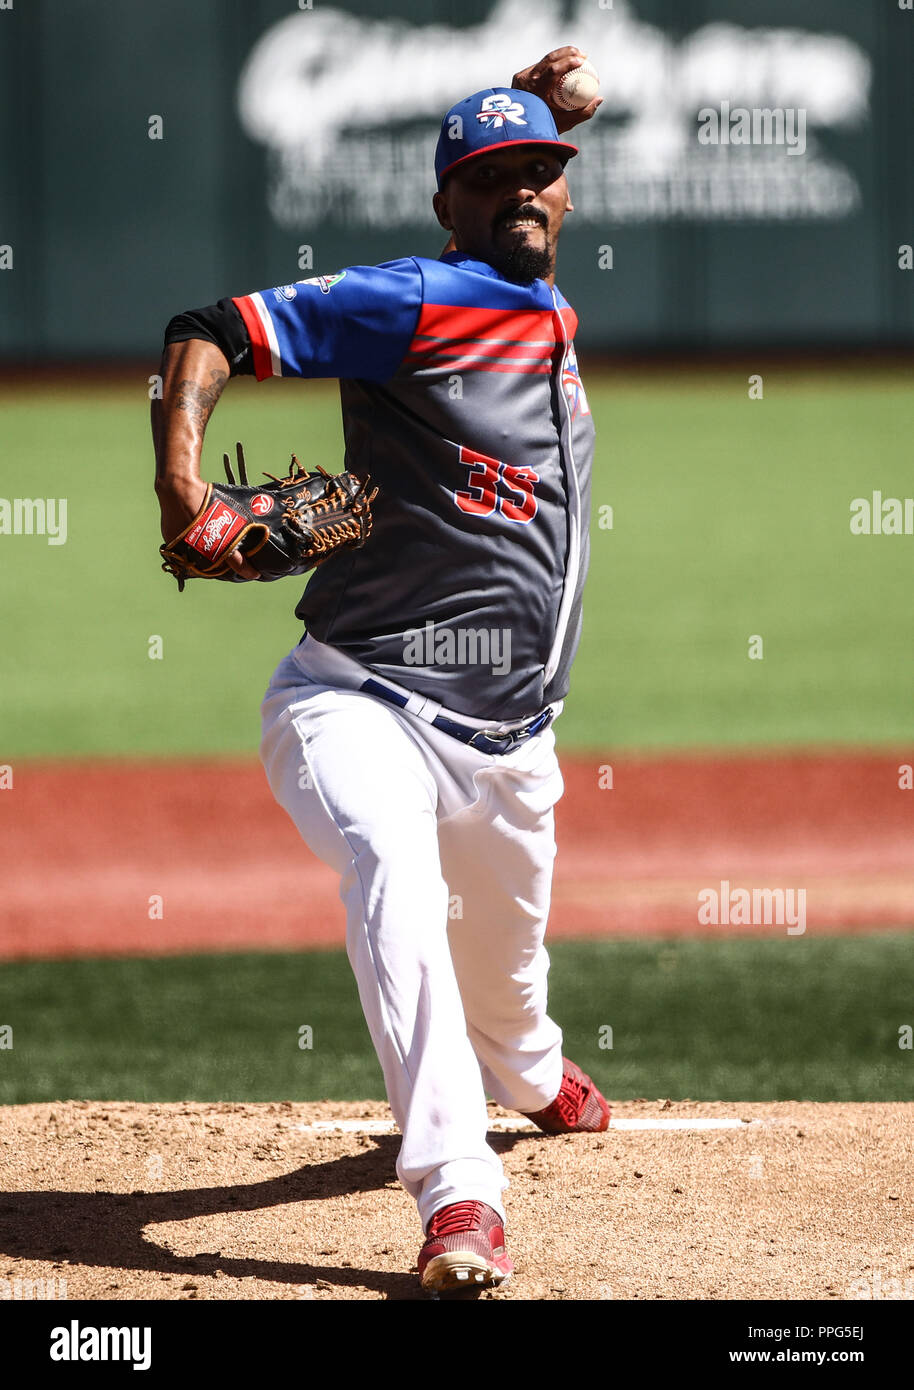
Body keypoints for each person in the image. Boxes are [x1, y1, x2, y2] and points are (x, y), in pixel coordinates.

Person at [152, 48, 609, 1296]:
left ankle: (525, 1071)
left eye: (539, 173)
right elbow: (210, 330)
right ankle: (458, 1196)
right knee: (393, 886)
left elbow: (520, 162)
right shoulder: (412, 297)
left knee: (510, 992)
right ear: (441, 203)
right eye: (490, 176)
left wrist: (522, 105)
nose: (523, 189)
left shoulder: (545, 297)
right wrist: (183, 482)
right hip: (358, 702)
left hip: (515, 741)